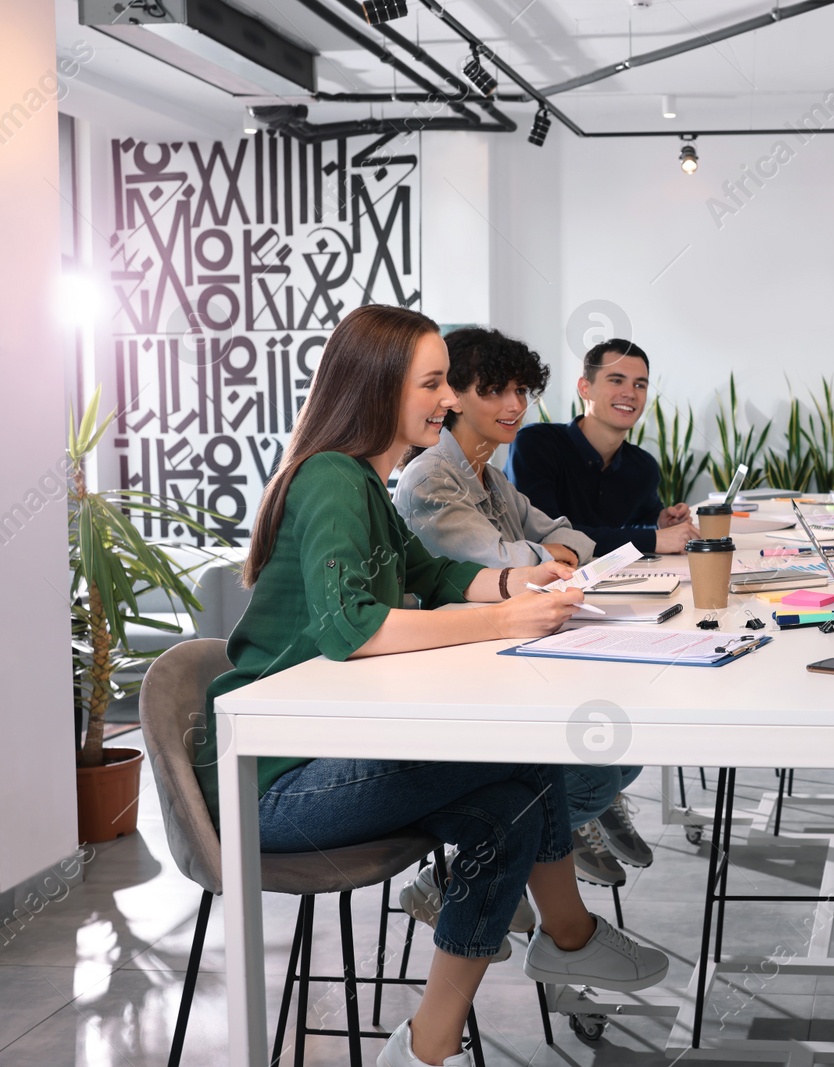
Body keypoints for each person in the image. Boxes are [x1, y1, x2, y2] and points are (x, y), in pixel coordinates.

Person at [192, 305, 669, 1067]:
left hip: (320, 749)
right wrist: (504, 617)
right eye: (435, 383)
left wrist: (521, 578)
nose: (449, 401)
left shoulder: (365, 484)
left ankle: (426, 1046)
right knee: (528, 766)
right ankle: (568, 939)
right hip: (270, 782)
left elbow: (435, 574)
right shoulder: (330, 481)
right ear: (380, 386)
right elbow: (352, 625)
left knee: (517, 800)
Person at [393, 326, 653, 890]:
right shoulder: (432, 477)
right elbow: (504, 565)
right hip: (461, 682)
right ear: (453, 397)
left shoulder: (488, 474)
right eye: (494, 391)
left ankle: (507, 871)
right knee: (598, 771)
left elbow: (571, 538)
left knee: (626, 748)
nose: (515, 406)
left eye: (521, 390)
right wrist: (544, 556)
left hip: (514, 657)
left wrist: (544, 554)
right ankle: (465, 880)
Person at [507, 338, 698, 555]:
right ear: (585, 388)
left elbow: (643, 521)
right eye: (616, 381)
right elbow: (546, 535)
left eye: (639, 385)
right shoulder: (535, 445)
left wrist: (661, 524)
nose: (630, 393)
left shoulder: (643, 466)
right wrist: (652, 540)